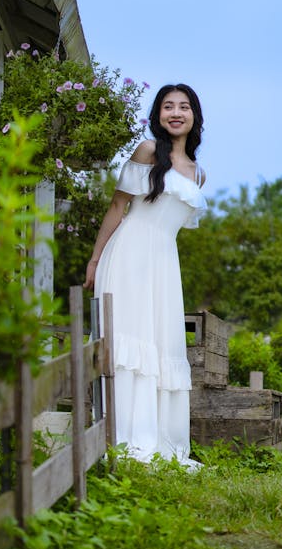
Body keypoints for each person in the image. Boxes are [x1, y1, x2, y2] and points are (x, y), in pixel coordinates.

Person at [84, 84, 206, 465]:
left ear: (194, 117)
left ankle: (158, 440)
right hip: (128, 254)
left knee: (161, 344)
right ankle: (120, 437)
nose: (176, 112)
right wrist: (94, 259)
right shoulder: (147, 151)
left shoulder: (199, 174)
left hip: (164, 264)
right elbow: (118, 207)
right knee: (128, 341)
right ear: (158, 115)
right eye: (168, 106)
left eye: (183, 107)